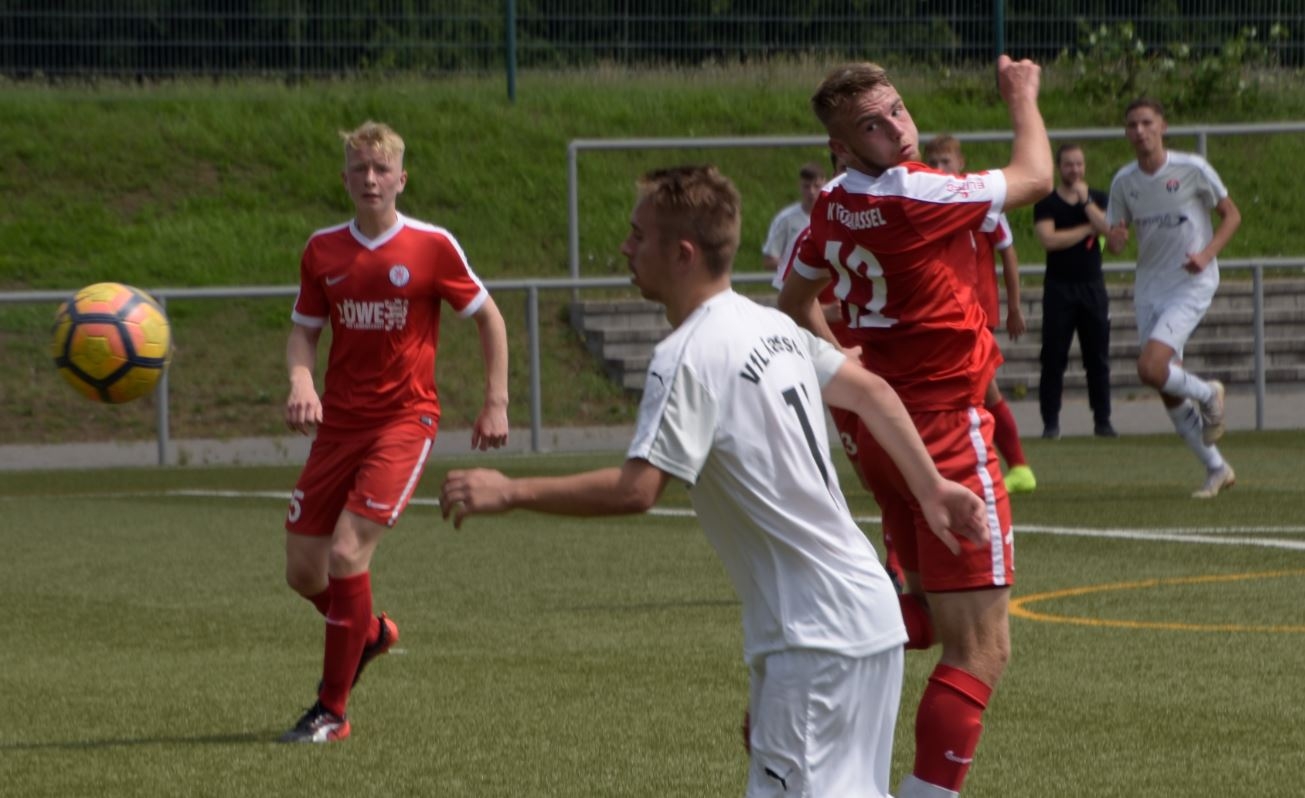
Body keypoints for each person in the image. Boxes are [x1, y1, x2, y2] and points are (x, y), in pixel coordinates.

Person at [441, 164, 987, 797]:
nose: (625, 247)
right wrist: (931, 487)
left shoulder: (687, 355)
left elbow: (636, 490)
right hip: (866, 615)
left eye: (637, 235)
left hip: (813, 635)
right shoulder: (771, 325)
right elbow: (872, 392)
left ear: (682, 254)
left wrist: (511, 491)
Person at [777, 56, 1052, 797]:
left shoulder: (830, 203)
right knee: (981, 648)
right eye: (873, 124)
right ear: (841, 144)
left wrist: (843, 361)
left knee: (927, 615)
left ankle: (817, 663)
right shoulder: (911, 191)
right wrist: (1022, 97)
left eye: (897, 109)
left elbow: (793, 301)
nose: (897, 128)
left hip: (882, 433)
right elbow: (1034, 177)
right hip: (941, 429)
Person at [279, 121, 510, 743]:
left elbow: (488, 317)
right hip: (338, 424)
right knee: (304, 570)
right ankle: (370, 632)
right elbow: (304, 331)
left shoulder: (431, 246)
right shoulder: (322, 251)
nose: (371, 179)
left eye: (382, 169)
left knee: (346, 552)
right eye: (360, 168)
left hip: (405, 420)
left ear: (401, 179)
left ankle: (331, 711)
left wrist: (495, 401)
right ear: (345, 179)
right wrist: (302, 382)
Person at [772, 152, 905, 589]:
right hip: (846, 370)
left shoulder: (901, 216)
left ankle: (898, 563)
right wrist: (837, 352)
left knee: (896, 461)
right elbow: (793, 300)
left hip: (895, 360)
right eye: (848, 170)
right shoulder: (818, 229)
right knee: (870, 471)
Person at [1106, 98, 1240, 499]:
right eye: (1132, 125)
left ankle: (1208, 394)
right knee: (1165, 384)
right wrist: (1115, 238)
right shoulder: (1124, 181)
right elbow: (1116, 239)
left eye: (1147, 122)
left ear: (1162, 126)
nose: (1140, 131)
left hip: (1191, 282)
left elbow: (1231, 215)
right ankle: (1216, 468)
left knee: (1151, 367)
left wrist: (1206, 255)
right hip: (1150, 287)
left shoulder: (1192, 168)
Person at [923, 134, 1037, 494]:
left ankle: (1014, 466)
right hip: (948, 314)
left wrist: (1013, 306)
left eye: (945, 161)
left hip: (977, 314)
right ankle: (1002, 466)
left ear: (961, 164)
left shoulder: (978, 204)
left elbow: (1008, 253)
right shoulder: (925, 203)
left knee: (982, 391)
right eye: (933, 162)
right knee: (974, 392)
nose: (939, 168)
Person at [1033, 143, 1116, 439]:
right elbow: (1049, 240)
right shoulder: (1047, 204)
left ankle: (1103, 420)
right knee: (1053, 357)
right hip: (1059, 288)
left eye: (1079, 164)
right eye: (1069, 164)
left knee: (1097, 357)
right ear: (1059, 167)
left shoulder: (1099, 199)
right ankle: (1050, 422)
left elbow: (1110, 232)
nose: (1075, 170)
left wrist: (1086, 203)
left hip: (1093, 286)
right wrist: (1085, 230)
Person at [761, 161, 825, 272]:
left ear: (825, 185)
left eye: (817, 186)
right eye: (806, 186)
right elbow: (769, 260)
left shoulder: (834, 217)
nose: (811, 191)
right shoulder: (786, 219)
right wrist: (799, 271)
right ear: (799, 186)